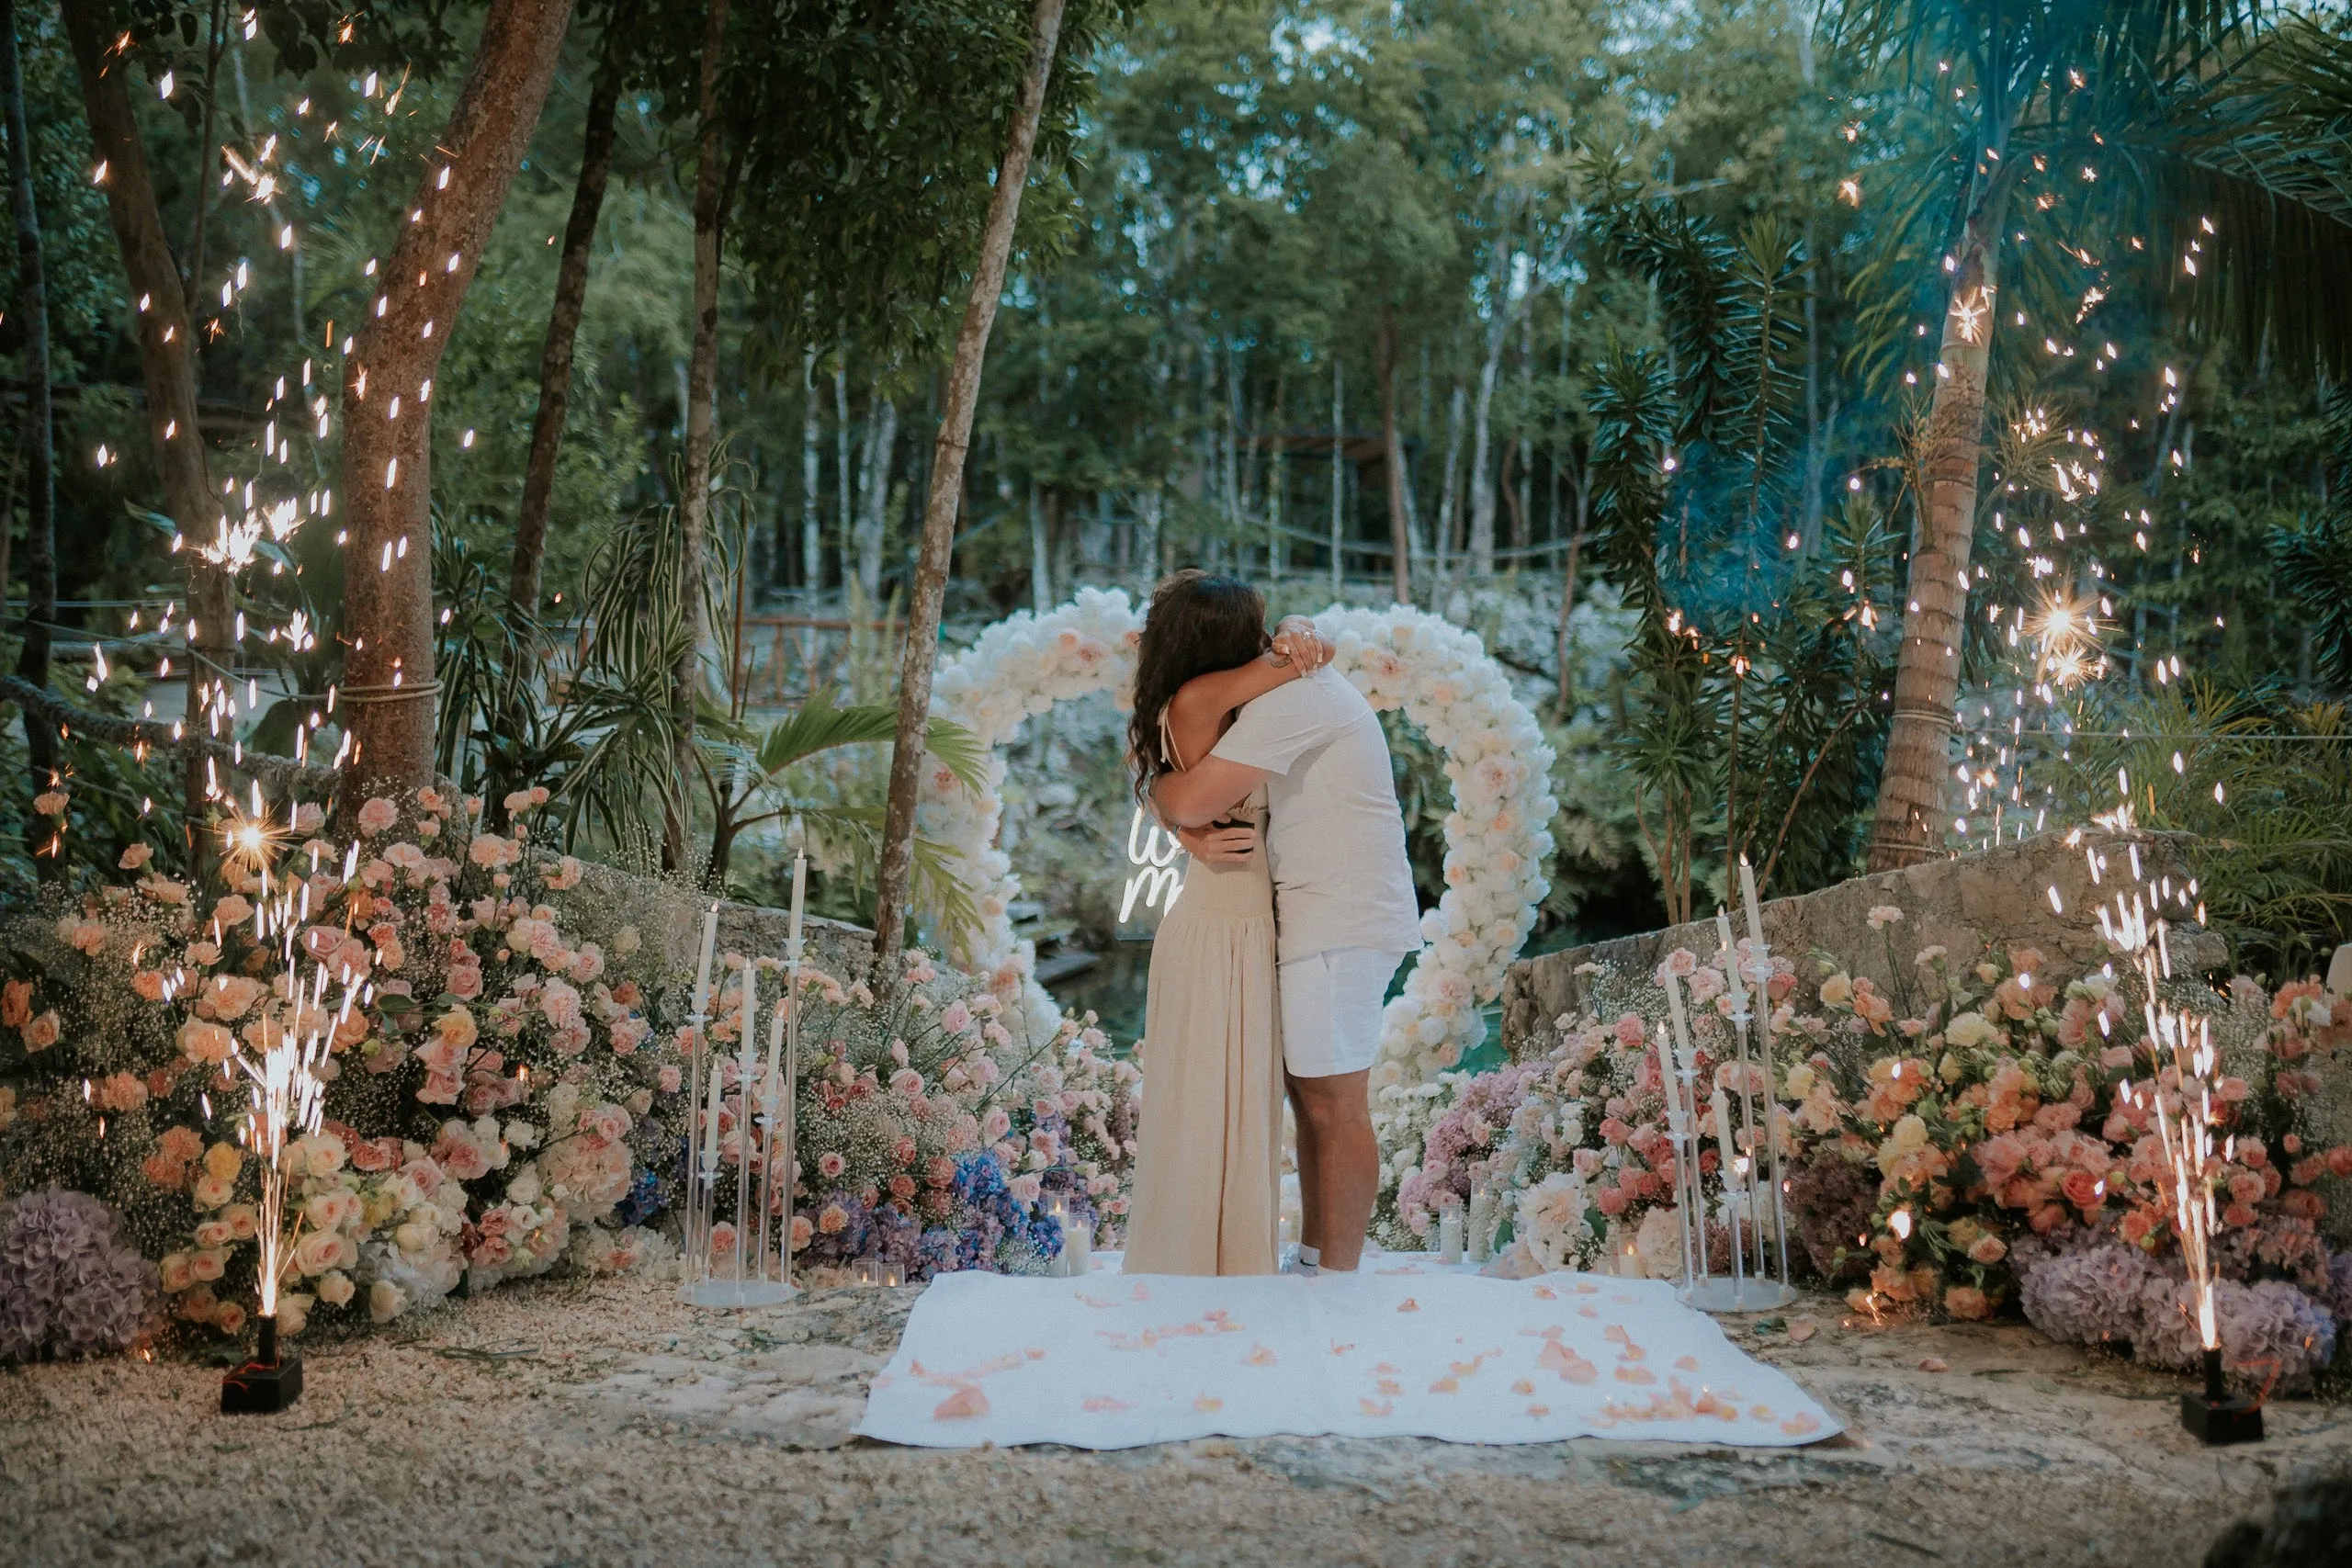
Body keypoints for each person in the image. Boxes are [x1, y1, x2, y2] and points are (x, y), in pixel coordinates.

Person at [1150, 599, 1421, 1275]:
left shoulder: (1295, 698)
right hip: (1321, 911)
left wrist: (1163, 795)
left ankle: (1338, 1274)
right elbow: (1182, 795)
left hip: (1341, 912)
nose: (1267, 640)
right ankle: (1315, 1260)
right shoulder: (1281, 690)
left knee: (1335, 1102)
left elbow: (1193, 799)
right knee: (1312, 1098)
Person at [1119, 573, 1332, 1276]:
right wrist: (1298, 632)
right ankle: (1199, 1263)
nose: (1264, 637)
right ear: (1223, 637)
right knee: (1210, 1100)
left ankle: (1221, 1258)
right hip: (1219, 929)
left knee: (1231, 1097)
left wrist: (1178, 823)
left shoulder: (1197, 699)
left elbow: (1156, 781)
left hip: (1232, 920)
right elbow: (1306, 657)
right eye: (1254, 626)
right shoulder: (1204, 696)